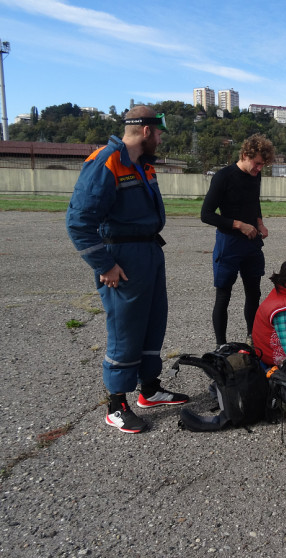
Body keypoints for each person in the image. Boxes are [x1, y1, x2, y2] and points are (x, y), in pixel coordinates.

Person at [66, 106, 188, 434]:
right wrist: (105, 265)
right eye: (159, 133)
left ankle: (149, 389)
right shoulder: (106, 162)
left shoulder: (142, 165)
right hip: (121, 255)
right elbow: (78, 222)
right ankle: (116, 404)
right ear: (146, 131)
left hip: (148, 250)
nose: (161, 138)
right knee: (125, 330)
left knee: (152, 322)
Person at [201, 134, 275, 348]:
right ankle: (220, 345)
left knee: (254, 292)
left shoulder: (256, 176)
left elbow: (254, 203)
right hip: (229, 243)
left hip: (251, 244)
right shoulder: (223, 177)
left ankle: (252, 338)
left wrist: (260, 223)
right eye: (257, 163)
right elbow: (206, 214)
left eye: (263, 164)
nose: (259, 168)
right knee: (224, 295)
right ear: (245, 155)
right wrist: (239, 225)